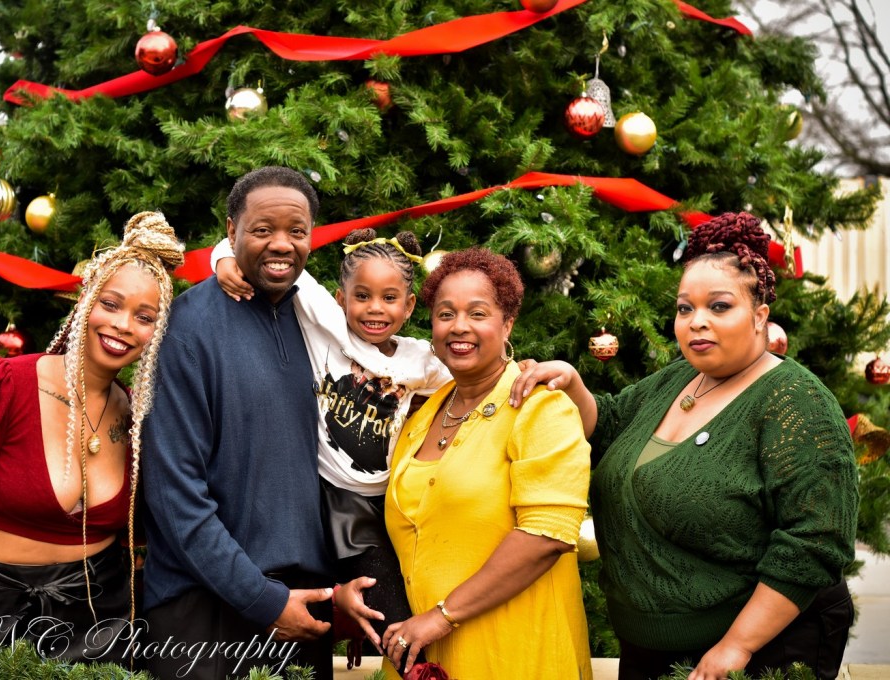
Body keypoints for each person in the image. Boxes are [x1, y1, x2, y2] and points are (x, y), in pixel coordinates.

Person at [513, 212, 858, 680]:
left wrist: (736, 646)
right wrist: (573, 383)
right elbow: (611, 427)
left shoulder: (796, 402)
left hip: (757, 648)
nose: (697, 322)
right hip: (651, 647)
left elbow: (814, 543)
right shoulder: (681, 378)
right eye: (684, 308)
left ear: (759, 316)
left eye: (719, 307)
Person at [0, 211, 185, 676]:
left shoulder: (139, 419)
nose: (123, 325)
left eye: (145, 317)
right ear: (85, 300)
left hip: (98, 623)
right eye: (111, 304)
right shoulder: (0, 387)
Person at [213, 227, 450, 669]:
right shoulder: (324, 324)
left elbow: (480, 376)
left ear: (409, 305)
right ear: (341, 299)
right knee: (377, 602)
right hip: (325, 494)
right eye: (362, 296)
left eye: (389, 298)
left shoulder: (421, 360)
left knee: (404, 596)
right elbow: (251, 245)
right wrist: (224, 262)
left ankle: (417, 664)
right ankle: (419, 672)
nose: (375, 308)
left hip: (388, 501)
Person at [140, 167, 336, 680]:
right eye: (262, 229)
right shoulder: (186, 329)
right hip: (202, 610)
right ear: (231, 231)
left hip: (302, 605)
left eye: (296, 231)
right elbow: (174, 493)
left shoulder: (320, 325)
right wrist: (261, 599)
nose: (282, 244)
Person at [374, 247, 594, 679]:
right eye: (445, 314)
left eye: (478, 313)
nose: (459, 326)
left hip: (514, 654)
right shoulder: (422, 415)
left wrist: (441, 616)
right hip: (424, 657)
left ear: (507, 323)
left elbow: (546, 536)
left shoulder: (540, 407)